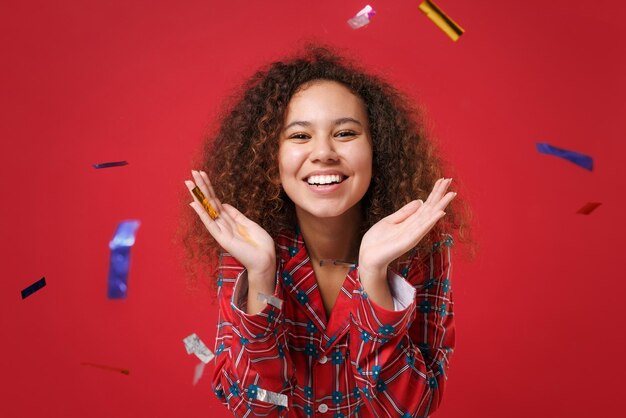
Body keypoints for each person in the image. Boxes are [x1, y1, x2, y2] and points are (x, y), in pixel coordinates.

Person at [182, 45, 470, 417]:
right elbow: (252, 407)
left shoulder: (420, 247)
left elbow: (411, 409)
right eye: (300, 136)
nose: (324, 153)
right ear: (272, 155)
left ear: (376, 149)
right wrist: (261, 276)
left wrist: (375, 278)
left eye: (346, 133)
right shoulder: (249, 244)